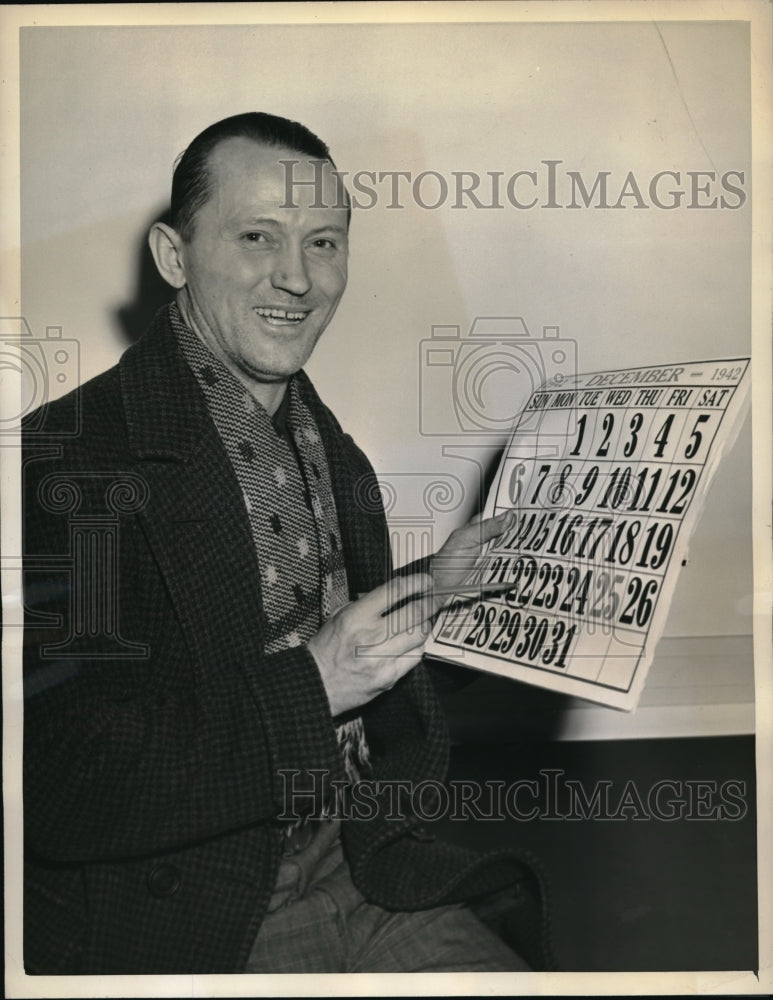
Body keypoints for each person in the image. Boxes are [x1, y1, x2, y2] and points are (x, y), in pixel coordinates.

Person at [22, 112, 553, 974]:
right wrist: (315, 684)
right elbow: (59, 786)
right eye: (257, 236)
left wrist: (437, 584)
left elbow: (308, 619)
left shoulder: (323, 439)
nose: (297, 278)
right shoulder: (65, 457)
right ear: (173, 256)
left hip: (360, 861)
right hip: (202, 910)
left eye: (324, 243)